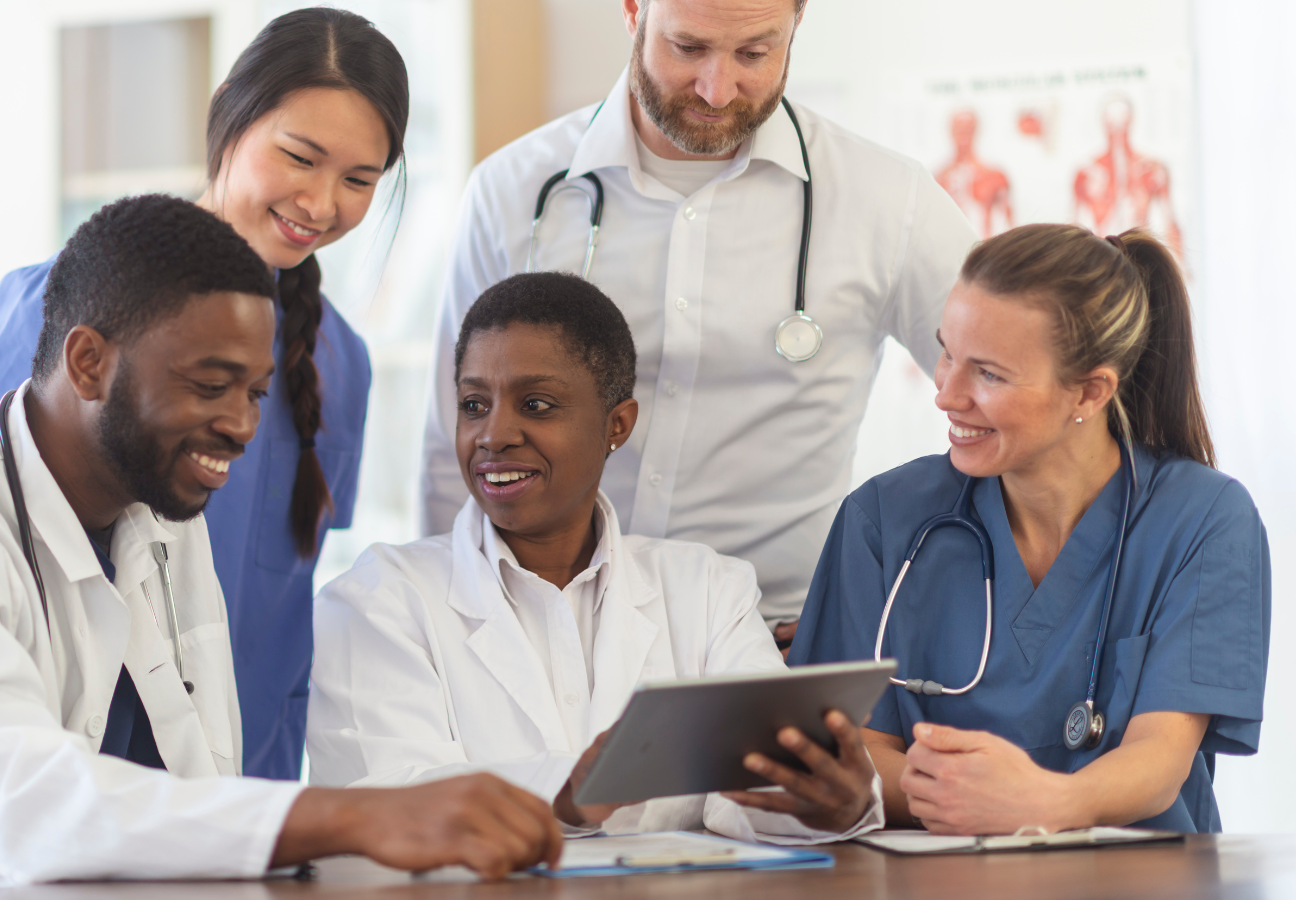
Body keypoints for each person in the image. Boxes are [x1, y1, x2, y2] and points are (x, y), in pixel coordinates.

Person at [0, 197, 561, 899]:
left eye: (256, 392)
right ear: (88, 361)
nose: (241, 425)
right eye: (209, 385)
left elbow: (200, 775)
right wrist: (350, 814)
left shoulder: (162, 518)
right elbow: (14, 805)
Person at [419, 0, 977, 650]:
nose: (717, 88)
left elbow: (1011, 394)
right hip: (546, 636)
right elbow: (448, 447)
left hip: (777, 643)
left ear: (797, 23)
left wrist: (907, 585)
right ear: (633, 12)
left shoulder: (887, 200)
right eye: (688, 48)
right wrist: (451, 633)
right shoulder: (512, 191)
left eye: (754, 53)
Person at [0, 8, 399, 779]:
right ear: (228, 110)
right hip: (66, 783)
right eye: (300, 156)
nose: (322, 204)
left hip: (243, 802)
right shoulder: (58, 307)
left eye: (359, 180)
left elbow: (285, 616)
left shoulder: (340, 362)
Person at [310, 272, 882, 842]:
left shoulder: (707, 590)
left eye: (536, 405)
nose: (494, 434)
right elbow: (384, 799)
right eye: (473, 404)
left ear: (617, 425)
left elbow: (747, 795)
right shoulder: (378, 599)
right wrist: (566, 794)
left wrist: (825, 802)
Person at [790, 224, 1271, 834]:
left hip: (1137, 877)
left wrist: (1043, 803)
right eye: (947, 353)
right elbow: (850, 752)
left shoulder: (1203, 519)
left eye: (988, 374)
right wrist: (971, 795)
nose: (947, 394)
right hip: (933, 879)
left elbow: (1159, 759)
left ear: (1091, 391)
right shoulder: (884, 518)